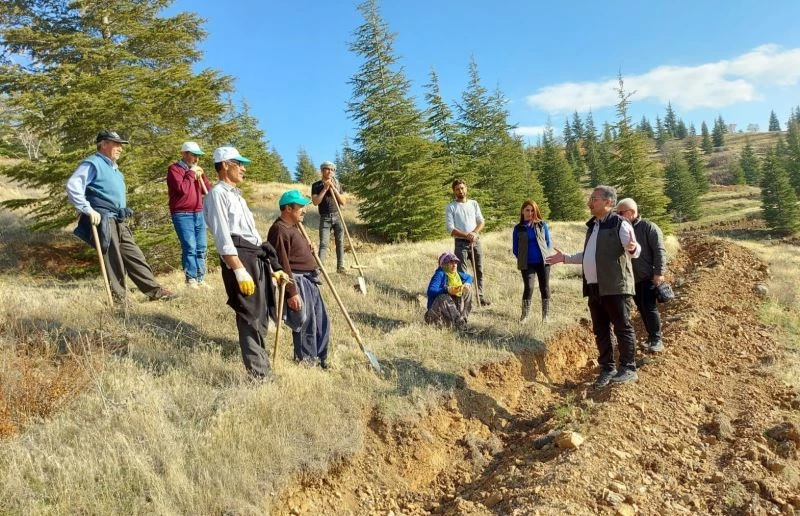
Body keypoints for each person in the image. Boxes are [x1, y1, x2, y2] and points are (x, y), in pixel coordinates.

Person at [203, 146, 289, 378]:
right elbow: (223, 236)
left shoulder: (237, 196)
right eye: (238, 163)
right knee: (249, 313)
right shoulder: (216, 195)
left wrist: (274, 267)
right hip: (239, 257)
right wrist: (238, 269)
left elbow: (253, 234)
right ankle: (259, 375)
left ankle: (264, 368)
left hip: (255, 256)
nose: (243, 168)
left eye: (243, 164)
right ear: (223, 165)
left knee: (260, 313)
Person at [546, 186, 641, 387]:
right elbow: (590, 255)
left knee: (622, 327)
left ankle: (628, 368)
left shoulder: (619, 224)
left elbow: (633, 248)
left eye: (594, 199)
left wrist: (634, 248)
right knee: (601, 330)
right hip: (595, 288)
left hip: (615, 286)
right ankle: (607, 369)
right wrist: (565, 258)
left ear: (608, 202)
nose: (590, 202)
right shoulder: (594, 226)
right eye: (590, 198)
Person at [66, 130, 174, 303]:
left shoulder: (114, 169)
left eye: (120, 145)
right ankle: (120, 300)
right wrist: (87, 209)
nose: (120, 148)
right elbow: (73, 185)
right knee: (113, 258)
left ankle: (155, 291)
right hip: (104, 218)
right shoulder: (93, 163)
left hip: (118, 218)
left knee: (135, 255)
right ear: (103, 144)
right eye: (116, 144)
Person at [267, 189, 331, 369]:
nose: (304, 210)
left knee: (321, 320)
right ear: (288, 208)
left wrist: (308, 247)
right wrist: (291, 292)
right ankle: (307, 363)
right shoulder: (279, 230)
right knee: (306, 323)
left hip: (309, 279)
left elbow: (295, 251)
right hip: (297, 280)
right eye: (300, 207)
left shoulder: (294, 227)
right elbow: (281, 263)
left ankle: (321, 358)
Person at [616, 198, 667, 353]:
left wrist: (658, 273)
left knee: (649, 308)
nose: (618, 216)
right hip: (631, 278)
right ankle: (651, 338)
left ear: (631, 212)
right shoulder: (622, 229)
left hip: (647, 276)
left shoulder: (649, 227)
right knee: (642, 308)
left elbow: (659, 251)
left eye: (621, 213)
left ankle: (657, 339)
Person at [167, 141, 212, 289]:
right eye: (193, 155)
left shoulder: (197, 170)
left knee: (201, 247)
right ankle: (191, 279)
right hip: (182, 214)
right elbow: (183, 189)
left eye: (198, 155)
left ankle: (200, 278)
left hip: (198, 213)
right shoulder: (174, 169)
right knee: (190, 246)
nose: (196, 158)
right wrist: (191, 173)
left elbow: (208, 190)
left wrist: (202, 176)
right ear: (184, 154)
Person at [445, 178, 489, 306]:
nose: (460, 191)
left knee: (479, 270)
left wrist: (474, 233)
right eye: (457, 189)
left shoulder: (473, 204)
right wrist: (466, 235)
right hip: (460, 244)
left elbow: (481, 221)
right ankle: (464, 299)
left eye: (462, 188)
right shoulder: (451, 207)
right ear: (454, 191)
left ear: (466, 188)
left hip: (475, 241)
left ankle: (480, 297)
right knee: (462, 273)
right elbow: (451, 229)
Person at [512, 200, 552, 323]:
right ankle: (524, 317)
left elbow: (548, 243)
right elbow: (515, 248)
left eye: (532, 210)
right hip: (527, 264)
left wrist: (546, 256)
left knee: (544, 287)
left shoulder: (542, 225)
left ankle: (546, 316)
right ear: (522, 212)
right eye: (527, 210)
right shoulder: (518, 228)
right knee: (528, 287)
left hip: (543, 263)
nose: (530, 213)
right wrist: (523, 258)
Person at [311, 160, 346, 273]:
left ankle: (340, 267)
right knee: (324, 244)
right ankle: (320, 269)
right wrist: (325, 188)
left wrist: (334, 189)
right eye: (327, 169)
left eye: (332, 170)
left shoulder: (337, 183)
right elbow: (316, 202)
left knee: (340, 242)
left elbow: (343, 201)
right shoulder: (316, 185)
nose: (330, 171)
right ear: (322, 170)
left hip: (338, 216)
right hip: (325, 218)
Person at [424, 252, 474, 329]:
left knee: (468, 290)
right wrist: (447, 289)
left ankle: (463, 320)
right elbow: (430, 291)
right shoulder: (440, 274)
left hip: (450, 314)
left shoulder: (456, 275)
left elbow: (469, 277)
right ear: (444, 264)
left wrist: (467, 284)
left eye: (456, 262)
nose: (454, 265)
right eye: (451, 262)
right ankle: (461, 325)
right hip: (435, 316)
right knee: (443, 297)